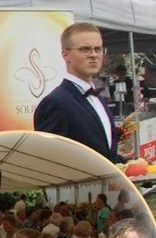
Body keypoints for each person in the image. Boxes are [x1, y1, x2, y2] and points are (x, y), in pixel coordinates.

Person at [34, 23, 122, 163]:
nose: (93, 55)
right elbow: (49, 161)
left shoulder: (100, 99)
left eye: (98, 49)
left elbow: (106, 154)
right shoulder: (55, 103)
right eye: (85, 49)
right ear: (65, 54)